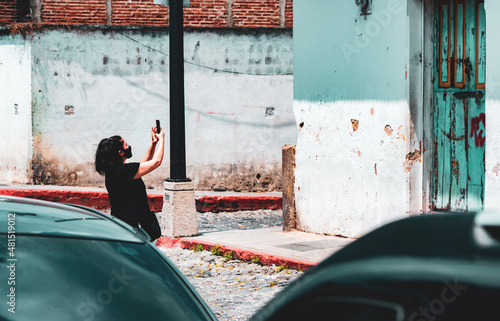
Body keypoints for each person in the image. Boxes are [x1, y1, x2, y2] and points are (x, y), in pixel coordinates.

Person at [95, 126, 164, 240]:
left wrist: (153, 144)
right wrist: (162, 139)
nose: (129, 147)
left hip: (124, 222)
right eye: (126, 145)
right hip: (133, 226)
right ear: (120, 152)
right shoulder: (123, 171)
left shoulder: (116, 171)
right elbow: (156, 162)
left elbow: (142, 164)